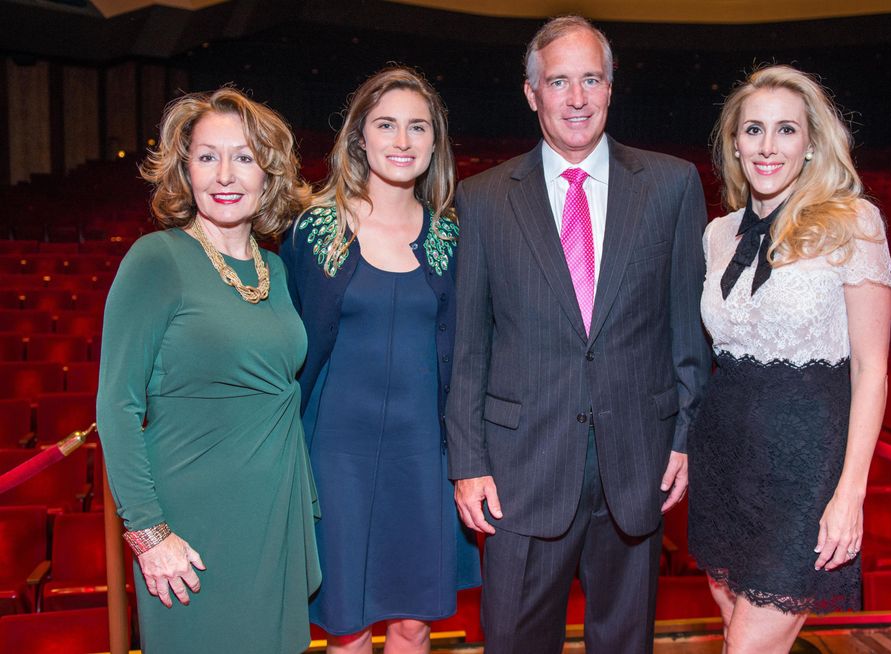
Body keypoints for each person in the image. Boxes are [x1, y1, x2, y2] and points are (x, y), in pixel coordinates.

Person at [447, 15, 711, 654]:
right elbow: (467, 346)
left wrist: (683, 438)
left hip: (637, 462)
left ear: (611, 87)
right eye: (558, 81)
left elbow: (688, 332)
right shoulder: (481, 198)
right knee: (513, 641)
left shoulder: (672, 186)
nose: (576, 98)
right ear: (531, 92)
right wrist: (469, 462)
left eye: (591, 79)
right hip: (519, 469)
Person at [96, 88, 320, 653]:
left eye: (244, 157)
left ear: (268, 174)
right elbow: (116, 406)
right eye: (206, 156)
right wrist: (149, 533)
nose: (225, 174)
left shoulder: (275, 267)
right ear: (184, 169)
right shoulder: (156, 259)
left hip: (273, 515)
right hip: (190, 527)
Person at [688, 64, 891, 653]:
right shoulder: (718, 234)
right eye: (753, 129)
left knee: (749, 647)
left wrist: (849, 493)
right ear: (734, 142)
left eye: (786, 130)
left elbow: (871, 370)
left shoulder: (854, 223)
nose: (768, 145)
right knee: (737, 631)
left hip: (806, 464)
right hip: (724, 453)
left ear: (810, 144)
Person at [279, 66, 480, 654]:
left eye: (418, 127)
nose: (402, 140)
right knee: (347, 626)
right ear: (359, 137)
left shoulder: (452, 238)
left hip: (422, 456)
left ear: (434, 142)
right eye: (386, 124)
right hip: (335, 453)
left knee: (415, 622)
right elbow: (286, 350)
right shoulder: (314, 232)